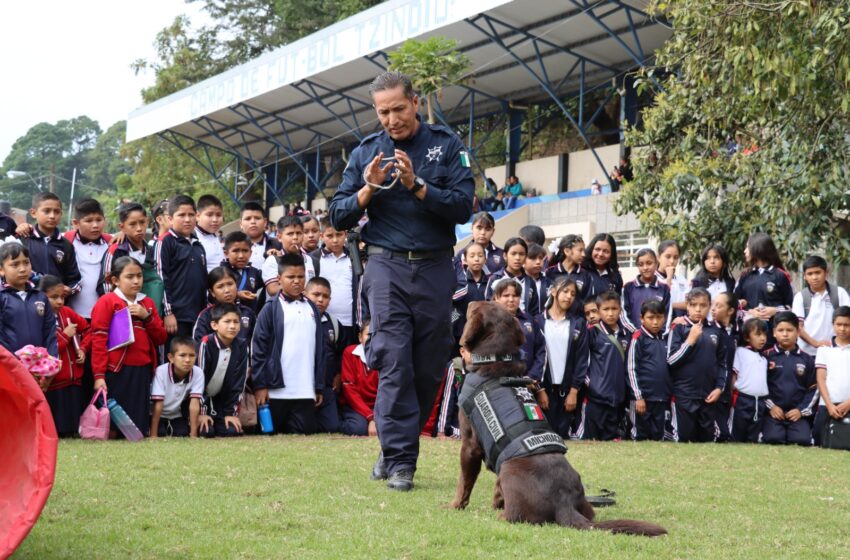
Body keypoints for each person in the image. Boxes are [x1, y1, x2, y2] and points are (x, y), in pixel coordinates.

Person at [328, 71, 474, 491]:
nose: (391, 119)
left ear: (414, 101)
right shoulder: (366, 153)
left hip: (434, 267)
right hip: (385, 266)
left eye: (397, 108)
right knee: (393, 360)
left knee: (428, 368)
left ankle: (394, 446)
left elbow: (463, 206)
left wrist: (417, 186)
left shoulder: (446, 145)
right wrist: (368, 189)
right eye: (382, 112)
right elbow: (338, 215)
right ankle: (401, 462)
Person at [91, 257, 167, 438]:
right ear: (115, 280)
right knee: (113, 419)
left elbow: (161, 337)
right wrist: (99, 375)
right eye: (130, 277)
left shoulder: (146, 303)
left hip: (142, 368)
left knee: (136, 425)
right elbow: (99, 340)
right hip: (116, 369)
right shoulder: (108, 301)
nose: (136, 281)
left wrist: (146, 317)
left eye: (139, 276)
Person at [251, 253, 325, 435]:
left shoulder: (313, 308)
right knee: (272, 433)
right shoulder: (270, 309)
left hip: (305, 389)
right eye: (290, 277)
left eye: (300, 277)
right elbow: (258, 349)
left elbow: (320, 350)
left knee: (305, 433)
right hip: (277, 391)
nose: (296, 281)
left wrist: (319, 386)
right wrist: (260, 385)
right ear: (279, 279)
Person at [667, 288, 727, 443]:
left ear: (710, 306)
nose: (698, 309)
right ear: (687, 306)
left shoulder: (716, 330)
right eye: (693, 305)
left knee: (706, 440)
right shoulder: (679, 328)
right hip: (684, 395)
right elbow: (671, 361)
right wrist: (689, 341)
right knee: (684, 439)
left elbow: (722, 363)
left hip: (708, 396)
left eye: (703, 305)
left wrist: (719, 388)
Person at [538, 278, 588, 439]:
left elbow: (582, 359)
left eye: (573, 294)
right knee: (544, 437)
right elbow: (535, 358)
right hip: (544, 390)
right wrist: (539, 389)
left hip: (567, 391)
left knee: (564, 439)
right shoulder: (538, 321)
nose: (569, 296)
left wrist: (574, 391)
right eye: (565, 291)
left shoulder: (578, 323)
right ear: (553, 292)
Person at [40, 275, 88, 437]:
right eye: (54, 297)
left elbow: (89, 330)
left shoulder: (67, 313)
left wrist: (83, 348)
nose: (60, 301)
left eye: (62, 297)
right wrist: (65, 336)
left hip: (73, 380)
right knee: (57, 428)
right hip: (53, 383)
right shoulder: (37, 318)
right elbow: (45, 350)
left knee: (72, 426)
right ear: (41, 297)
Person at [156, 195, 208, 341]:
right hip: (176, 317)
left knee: (193, 358)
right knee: (176, 358)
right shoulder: (166, 242)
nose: (187, 219)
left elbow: (203, 280)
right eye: (181, 215)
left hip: (198, 314)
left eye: (191, 215)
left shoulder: (198, 245)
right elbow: (161, 278)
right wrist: (168, 313)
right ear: (170, 219)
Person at [762, 311, 817, 445]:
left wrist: (800, 410)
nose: (785, 334)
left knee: (802, 440)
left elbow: (813, 389)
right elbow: (759, 386)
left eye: (789, 330)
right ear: (774, 332)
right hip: (774, 412)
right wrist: (772, 407)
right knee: (773, 438)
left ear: (798, 332)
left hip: (797, 413)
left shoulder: (807, 359)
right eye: (781, 330)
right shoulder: (765, 357)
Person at [583, 291, 630, 440]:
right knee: (592, 440)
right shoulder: (592, 333)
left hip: (618, 398)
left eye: (614, 309)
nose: (610, 313)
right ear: (598, 310)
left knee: (611, 439)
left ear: (620, 310)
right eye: (606, 309)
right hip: (596, 398)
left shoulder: (626, 334)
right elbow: (581, 362)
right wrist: (593, 385)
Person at [197, 304, 248, 437]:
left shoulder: (242, 346)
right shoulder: (206, 343)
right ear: (214, 325)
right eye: (227, 321)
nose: (232, 326)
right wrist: (201, 412)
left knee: (232, 431)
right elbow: (199, 379)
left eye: (236, 322)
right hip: (201, 401)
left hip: (222, 402)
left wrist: (231, 414)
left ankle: (222, 416)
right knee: (206, 432)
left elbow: (239, 382)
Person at [734, 232, 793, 342]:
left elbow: (792, 306)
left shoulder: (780, 275)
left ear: (757, 248)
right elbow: (734, 304)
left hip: (773, 337)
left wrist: (775, 310)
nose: (745, 251)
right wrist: (750, 312)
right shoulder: (745, 275)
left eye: (747, 247)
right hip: (748, 337)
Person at [0, 243, 57, 357]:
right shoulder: (2, 297)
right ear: (1, 270)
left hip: (40, 365)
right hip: (11, 366)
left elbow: (50, 332)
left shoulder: (41, 297)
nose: (22, 269)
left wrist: (51, 360)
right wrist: (14, 362)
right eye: (15, 265)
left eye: (26, 263)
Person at [19, 192, 81, 294]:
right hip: (28, 301)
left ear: (61, 214)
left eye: (56, 212)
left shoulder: (66, 245)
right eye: (46, 211)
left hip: (56, 304)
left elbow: (74, 278)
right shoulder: (24, 239)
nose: (52, 216)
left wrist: (70, 290)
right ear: (33, 213)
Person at [626, 299, 671, 441]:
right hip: (643, 398)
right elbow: (631, 368)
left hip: (661, 397)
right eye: (650, 318)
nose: (655, 322)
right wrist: (638, 397)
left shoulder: (666, 338)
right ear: (641, 318)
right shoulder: (638, 338)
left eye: (659, 317)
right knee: (639, 433)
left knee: (658, 434)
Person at [305, 276, 345, 434]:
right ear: (305, 294)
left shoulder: (334, 325)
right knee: (303, 427)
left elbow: (341, 353)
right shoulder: (297, 319)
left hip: (326, 386)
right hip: (303, 385)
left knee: (332, 427)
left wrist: (338, 374)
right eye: (316, 294)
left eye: (325, 296)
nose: (320, 300)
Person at [60, 199, 111, 321]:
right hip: (73, 315)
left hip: (105, 315)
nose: (95, 225)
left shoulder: (112, 242)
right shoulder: (63, 240)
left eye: (99, 220)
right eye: (88, 221)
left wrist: (123, 234)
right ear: (75, 223)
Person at [792, 255, 850, 356]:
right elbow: (798, 326)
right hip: (807, 353)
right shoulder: (800, 297)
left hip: (835, 351)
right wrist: (816, 343)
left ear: (826, 273)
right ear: (804, 276)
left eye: (818, 272)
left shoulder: (839, 293)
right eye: (810, 274)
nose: (814, 277)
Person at [314, 217, 357, 347]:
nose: (335, 240)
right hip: (323, 322)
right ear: (321, 236)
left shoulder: (355, 257)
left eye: (339, 234)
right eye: (329, 235)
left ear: (345, 234)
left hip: (350, 323)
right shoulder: (313, 259)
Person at [492, 278, 546, 382]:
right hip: (498, 383)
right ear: (496, 298)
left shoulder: (530, 320)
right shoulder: (488, 321)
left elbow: (541, 349)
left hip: (528, 382)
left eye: (515, 295)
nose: (511, 299)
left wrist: (532, 376)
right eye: (506, 295)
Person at [150, 336, 205, 438]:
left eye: (192, 355)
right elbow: (158, 404)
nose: (187, 360)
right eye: (182, 355)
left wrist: (193, 435)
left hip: (176, 414)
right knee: (160, 432)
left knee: (182, 432)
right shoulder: (161, 371)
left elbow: (194, 404)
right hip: (157, 414)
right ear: (171, 358)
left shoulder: (198, 372)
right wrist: (153, 435)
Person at [813, 306, 850, 445]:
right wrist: (829, 405)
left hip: (848, 404)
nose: (842, 329)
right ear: (833, 325)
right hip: (827, 405)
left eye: (847, 325)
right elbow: (821, 379)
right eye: (839, 324)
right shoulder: (824, 350)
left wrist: (848, 404)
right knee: (819, 437)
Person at [193, 267, 256, 347]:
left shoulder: (247, 313)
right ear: (212, 292)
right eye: (220, 286)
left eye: (230, 284)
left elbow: (255, 343)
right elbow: (199, 345)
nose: (227, 290)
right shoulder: (206, 315)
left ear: (236, 285)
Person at [730, 318, 769, 443]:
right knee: (738, 432)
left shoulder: (764, 359)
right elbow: (734, 375)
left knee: (753, 434)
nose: (762, 338)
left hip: (760, 402)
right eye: (758, 335)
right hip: (743, 400)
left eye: (764, 334)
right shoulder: (741, 352)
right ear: (747, 337)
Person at [339, 321, 380, 436]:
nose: (371, 339)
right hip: (355, 406)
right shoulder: (350, 353)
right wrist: (371, 418)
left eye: (375, 335)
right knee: (359, 429)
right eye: (368, 335)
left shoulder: (384, 356)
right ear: (360, 337)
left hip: (378, 407)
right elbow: (349, 390)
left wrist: (376, 416)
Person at [262, 215, 315, 297]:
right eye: (290, 234)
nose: (295, 237)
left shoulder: (308, 259)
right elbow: (272, 290)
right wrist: (302, 290)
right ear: (279, 237)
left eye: (299, 233)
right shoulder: (274, 261)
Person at [484, 238, 539, 315]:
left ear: (526, 256)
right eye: (513, 254)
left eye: (521, 254)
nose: (517, 258)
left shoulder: (530, 281)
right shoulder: (495, 278)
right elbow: (488, 305)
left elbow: (534, 310)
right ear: (505, 255)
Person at [621, 248, 670, 333]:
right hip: (634, 336)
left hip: (657, 338)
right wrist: (635, 332)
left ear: (656, 263)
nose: (645, 267)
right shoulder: (628, 288)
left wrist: (661, 334)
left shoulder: (664, 288)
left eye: (649, 263)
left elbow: (668, 315)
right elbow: (624, 314)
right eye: (641, 264)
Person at [452, 243, 489, 351]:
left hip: (484, 334)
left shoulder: (491, 282)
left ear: (485, 259)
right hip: (460, 332)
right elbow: (454, 308)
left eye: (480, 255)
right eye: (472, 256)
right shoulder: (459, 282)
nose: (476, 259)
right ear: (465, 260)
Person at [221, 231, 263, 314]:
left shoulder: (254, 272)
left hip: (250, 320)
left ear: (250, 253)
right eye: (236, 251)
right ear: (226, 253)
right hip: (227, 320)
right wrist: (236, 295)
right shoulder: (220, 273)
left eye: (245, 251)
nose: (241, 256)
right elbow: (214, 296)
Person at [690, 243, 736, 322]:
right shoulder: (697, 282)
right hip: (702, 325)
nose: (712, 261)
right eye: (708, 258)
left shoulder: (730, 282)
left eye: (716, 258)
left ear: (724, 262)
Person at [546, 235, 594, 305]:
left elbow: (588, 301)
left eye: (584, 250)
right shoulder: (550, 272)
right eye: (580, 250)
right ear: (567, 251)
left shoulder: (586, 275)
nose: (584, 254)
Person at [240, 202, 282, 270]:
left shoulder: (278, 245)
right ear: (241, 224)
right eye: (248, 219)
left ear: (265, 222)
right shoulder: (232, 247)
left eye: (257, 218)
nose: (253, 222)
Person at [656, 240, 688, 327]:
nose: (672, 261)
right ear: (658, 257)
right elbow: (659, 305)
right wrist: (669, 278)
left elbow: (689, 304)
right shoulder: (653, 279)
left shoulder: (682, 280)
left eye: (676, 257)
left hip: (682, 325)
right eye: (668, 256)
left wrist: (670, 305)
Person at [195, 194, 226, 273]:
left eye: (218, 215)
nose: (215, 219)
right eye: (209, 215)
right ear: (198, 216)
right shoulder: (192, 239)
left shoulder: (215, 236)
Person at [524, 243, 549, 315]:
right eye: (533, 258)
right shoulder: (519, 281)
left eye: (541, 258)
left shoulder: (549, 283)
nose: (538, 262)